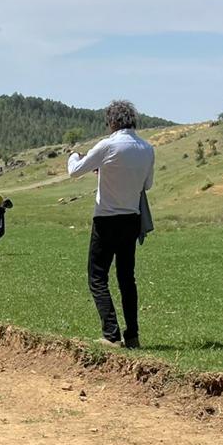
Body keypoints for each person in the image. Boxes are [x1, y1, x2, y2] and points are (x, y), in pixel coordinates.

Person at [67, 100, 155, 349]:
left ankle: (111, 333)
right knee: (127, 278)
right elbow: (146, 185)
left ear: (113, 122)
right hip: (131, 218)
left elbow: (75, 171)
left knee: (97, 277)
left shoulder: (107, 145)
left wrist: (74, 155)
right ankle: (133, 335)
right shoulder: (147, 148)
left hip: (106, 218)